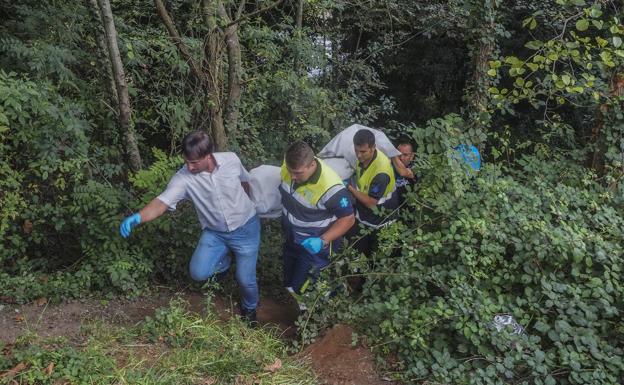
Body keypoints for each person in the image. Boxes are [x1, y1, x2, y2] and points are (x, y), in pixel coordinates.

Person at [119, 131, 261, 326]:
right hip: (215, 233)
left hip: (246, 229)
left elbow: (244, 180)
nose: (189, 166)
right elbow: (162, 201)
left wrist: (248, 203)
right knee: (198, 272)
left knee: (246, 280)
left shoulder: (231, 160)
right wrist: (139, 217)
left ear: (208, 156)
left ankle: (250, 309)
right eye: (186, 161)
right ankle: (225, 263)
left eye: (194, 163)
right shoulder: (184, 178)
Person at [279, 141, 355, 309]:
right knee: (289, 281)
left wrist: (322, 240)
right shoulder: (290, 165)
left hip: (315, 245)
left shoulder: (331, 188)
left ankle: (313, 319)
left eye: (297, 173)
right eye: (290, 171)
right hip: (293, 238)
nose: (292, 176)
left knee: (304, 287)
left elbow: (348, 219)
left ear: (312, 164)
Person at [346, 129, 399, 253]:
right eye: (356, 151)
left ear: (373, 147)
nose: (359, 155)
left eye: (363, 152)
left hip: (382, 221)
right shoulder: (364, 159)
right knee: (359, 252)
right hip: (364, 216)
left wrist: (349, 188)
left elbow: (371, 203)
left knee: (378, 257)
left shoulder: (381, 173)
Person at [392, 140, 417, 205]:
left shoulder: (416, 168)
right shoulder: (390, 163)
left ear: (411, 156)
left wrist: (392, 154)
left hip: (406, 209)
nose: (401, 158)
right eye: (398, 154)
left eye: (405, 155)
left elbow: (403, 172)